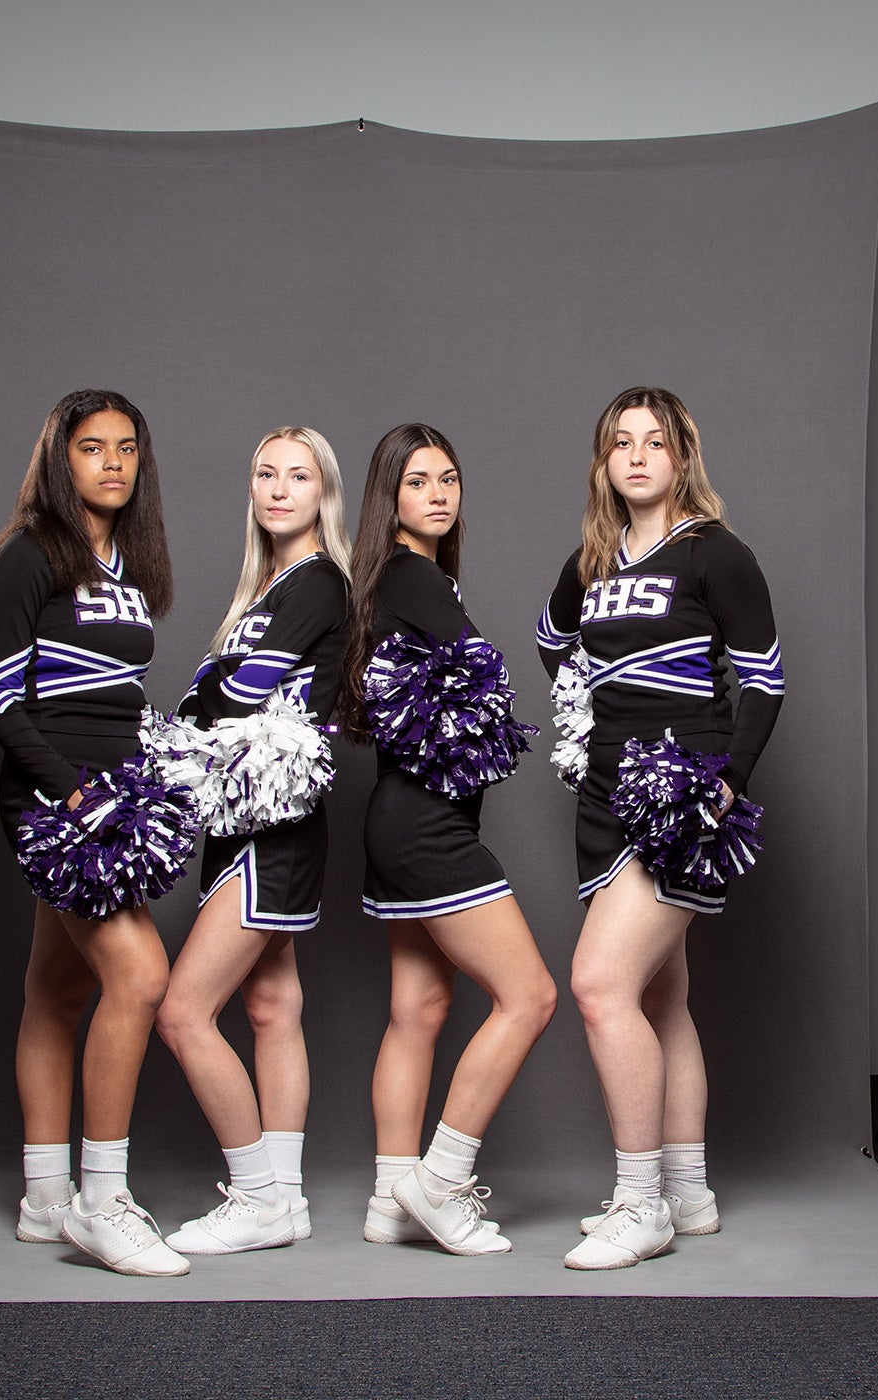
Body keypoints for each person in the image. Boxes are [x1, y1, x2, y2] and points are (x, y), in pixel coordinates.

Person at [537, 387, 784, 1270]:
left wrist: (726, 782)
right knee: (660, 996)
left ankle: (640, 1204)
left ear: (682, 456)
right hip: (603, 794)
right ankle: (687, 1188)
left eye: (654, 442)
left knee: (600, 985)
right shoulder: (592, 560)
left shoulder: (717, 554)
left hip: (680, 795)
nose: (637, 457)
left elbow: (764, 682)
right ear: (603, 461)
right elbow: (552, 641)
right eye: (620, 443)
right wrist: (590, 715)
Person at [0, 388, 187, 1277]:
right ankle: (102, 1203)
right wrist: (72, 796)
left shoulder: (127, 565)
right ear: (61, 459)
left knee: (57, 991)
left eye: (127, 448)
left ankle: (43, 1199)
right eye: (93, 447)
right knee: (140, 976)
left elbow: (114, 695)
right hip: (59, 802)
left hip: (115, 798)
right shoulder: (28, 554)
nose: (112, 463)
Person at [344, 423, 559, 1256]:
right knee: (529, 997)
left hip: (397, 820)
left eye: (448, 479)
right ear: (389, 496)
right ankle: (437, 1183)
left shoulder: (393, 578)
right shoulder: (414, 575)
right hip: (427, 829)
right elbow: (484, 676)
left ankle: (389, 1200)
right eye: (417, 481)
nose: (437, 495)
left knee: (418, 1011)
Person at [155, 427, 352, 1255]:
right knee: (272, 1007)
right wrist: (203, 708)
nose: (278, 489)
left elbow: (234, 694)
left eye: (298, 476)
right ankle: (288, 1198)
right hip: (239, 818)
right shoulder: (266, 588)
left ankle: (256, 1196)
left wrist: (186, 716)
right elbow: (227, 694)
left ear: (323, 492)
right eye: (266, 474)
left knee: (183, 1013)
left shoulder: (318, 582)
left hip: (276, 825)